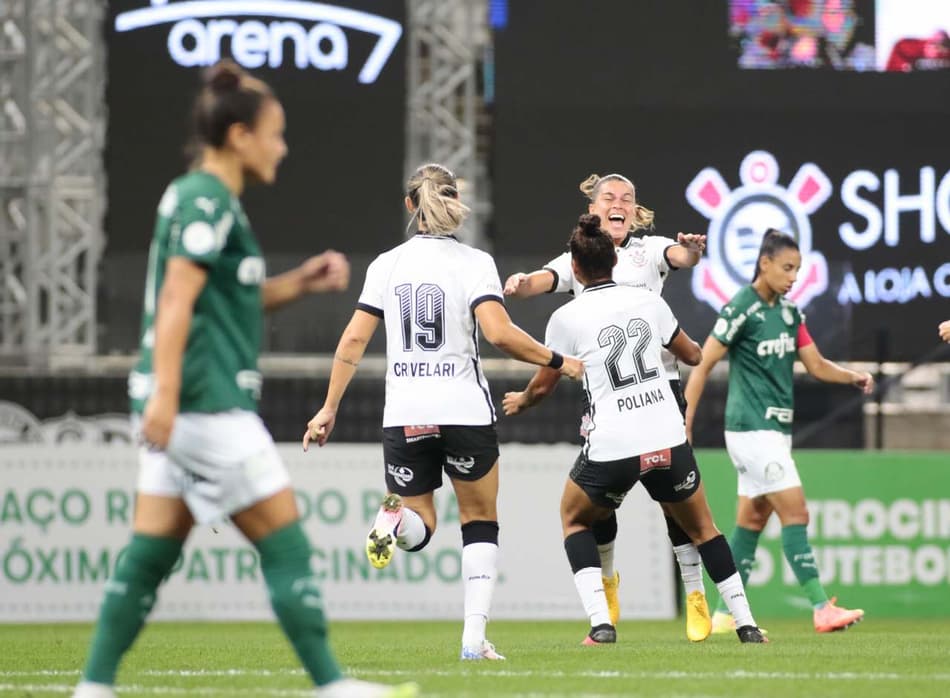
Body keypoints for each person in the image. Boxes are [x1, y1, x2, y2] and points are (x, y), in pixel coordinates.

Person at [72, 61, 417, 698]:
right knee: (286, 546)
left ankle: (93, 686)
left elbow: (225, 298)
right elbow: (176, 299)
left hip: (179, 401)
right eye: (275, 133)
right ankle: (332, 685)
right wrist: (170, 397)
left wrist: (302, 282)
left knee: (149, 555)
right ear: (238, 135)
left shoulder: (196, 195)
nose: (281, 146)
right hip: (205, 404)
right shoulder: (207, 199)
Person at [302, 163, 584, 661]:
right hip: (463, 410)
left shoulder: (386, 265)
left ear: (411, 205)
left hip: (406, 412)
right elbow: (498, 334)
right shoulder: (475, 263)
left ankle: (395, 522)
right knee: (479, 521)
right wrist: (559, 361)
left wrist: (328, 408)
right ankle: (473, 641)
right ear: (454, 203)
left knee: (420, 523)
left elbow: (353, 341)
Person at [502, 214, 766, 645]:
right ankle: (746, 625)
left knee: (575, 519)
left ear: (575, 266)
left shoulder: (566, 318)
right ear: (614, 262)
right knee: (705, 529)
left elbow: (545, 382)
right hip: (666, 436)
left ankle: (601, 623)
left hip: (614, 445)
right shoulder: (651, 303)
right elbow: (694, 356)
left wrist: (523, 400)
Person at [684, 228, 873, 635]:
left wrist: (851, 377)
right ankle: (821, 607)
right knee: (796, 512)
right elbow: (702, 363)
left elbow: (817, 364)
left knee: (752, 521)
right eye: (787, 268)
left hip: (773, 431)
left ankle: (722, 615)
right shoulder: (741, 308)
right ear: (765, 263)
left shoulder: (789, 314)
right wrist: (685, 422)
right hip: (751, 430)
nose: (792, 277)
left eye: (798, 270)